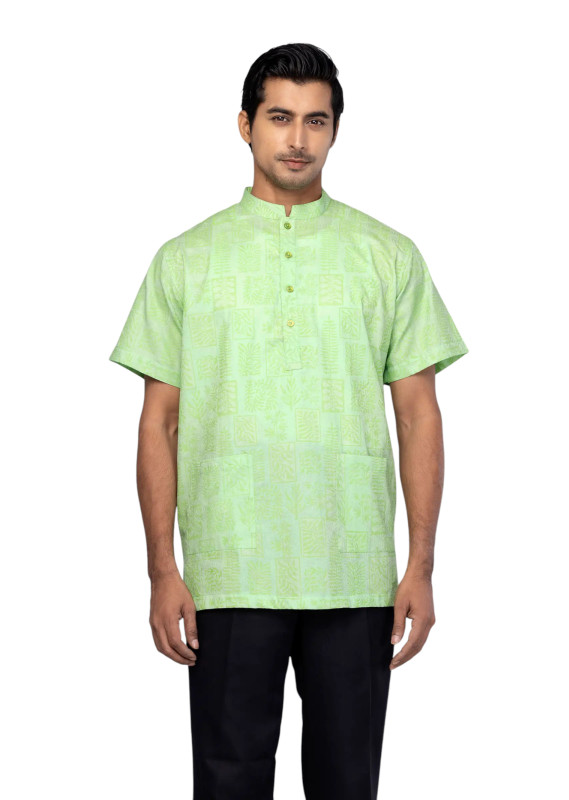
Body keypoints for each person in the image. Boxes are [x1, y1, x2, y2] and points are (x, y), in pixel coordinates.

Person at [109, 42, 469, 800]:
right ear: (245, 125)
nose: (298, 139)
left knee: (347, 783)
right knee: (228, 782)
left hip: (354, 568)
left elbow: (418, 416)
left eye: (316, 120)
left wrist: (421, 566)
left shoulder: (388, 256)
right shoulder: (185, 259)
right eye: (279, 118)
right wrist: (163, 570)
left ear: (336, 130)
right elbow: (159, 424)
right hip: (228, 570)